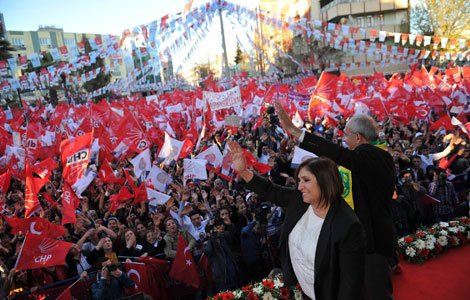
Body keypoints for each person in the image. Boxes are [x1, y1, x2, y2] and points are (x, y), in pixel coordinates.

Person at [274, 102, 396, 300]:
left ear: (358, 137)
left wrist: (296, 132)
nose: (343, 139)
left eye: (346, 135)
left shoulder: (373, 157)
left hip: (373, 243)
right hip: (362, 241)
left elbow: (338, 154)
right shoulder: (369, 158)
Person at [228, 140, 365, 300]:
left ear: (325, 181)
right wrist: (244, 171)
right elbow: (270, 190)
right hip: (296, 290)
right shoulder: (299, 199)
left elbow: (350, 284)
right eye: (299, 180)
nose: (299, 187)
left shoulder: (348, 225)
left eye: (306, 180)